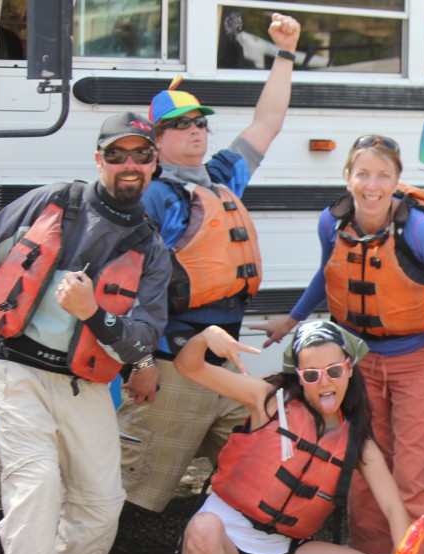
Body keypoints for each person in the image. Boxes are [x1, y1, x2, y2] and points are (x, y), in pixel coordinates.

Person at [249, 134, 424, 554]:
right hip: (359, 363)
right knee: (367, 472)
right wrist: (292, 319)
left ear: (397, 181)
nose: (372, 185)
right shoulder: (332, 222)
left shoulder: (417, 228)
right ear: (348, 177)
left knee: (413, 475)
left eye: (383, 175)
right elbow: (327, 275)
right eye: (363, 174)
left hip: (415, 363)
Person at [0, 112, 171, 554]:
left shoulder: (152, 248)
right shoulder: (52, 201)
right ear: (99, 160)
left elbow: (143, 336)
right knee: (35, 490)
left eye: (140, 155)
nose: (129, 165)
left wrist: (95, 314)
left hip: (84, 384)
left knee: (99, 510)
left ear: (154, 165)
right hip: (13, 371)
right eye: (117, 155)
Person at [118, 12, 301, 514]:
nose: (196, 130)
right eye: (180, 126)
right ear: (156, 141)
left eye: (200, 122)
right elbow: (128, 287)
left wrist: (284, 52)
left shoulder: (223, 178)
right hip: (175, 362)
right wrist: (138, 364)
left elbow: (267, 122)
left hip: (228, 365)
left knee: (262, 477)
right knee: (122, 490)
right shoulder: (154, 199)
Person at [174, 319, 423, 554]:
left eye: (334, 370)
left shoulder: (357, 439)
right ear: (299, 376)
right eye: (311, 375)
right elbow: (188, 367)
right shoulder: (267, 400)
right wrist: (204, 337)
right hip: (222, 543)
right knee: (202, 528)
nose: (324, 381)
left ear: (349, 368)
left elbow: (393, 507)